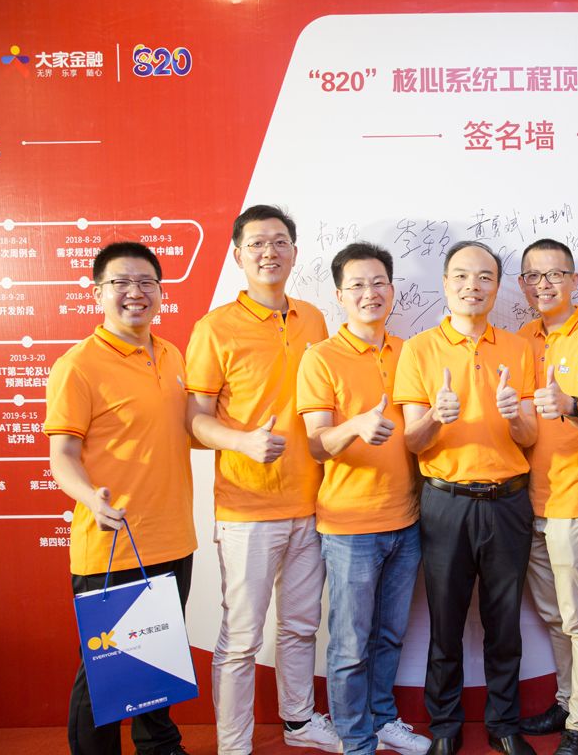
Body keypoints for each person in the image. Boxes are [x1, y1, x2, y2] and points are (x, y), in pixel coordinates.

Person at [184, 205, 338, 755]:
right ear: (237, 255)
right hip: (247, 508)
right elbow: (194, 420)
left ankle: (298, 722)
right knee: (242, 636)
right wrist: (242, 441)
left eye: (279, 242)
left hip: (312, 503)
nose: (268, 252)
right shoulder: (214, 327)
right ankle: (234, 744)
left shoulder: (314, 319)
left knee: (300, 626)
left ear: (294, 252)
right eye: (256, 243)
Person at [48, 241, 197, 755]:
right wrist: (92, 499)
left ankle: (159, 746)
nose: (135, 292)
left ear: (160, 291)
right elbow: (62, 456)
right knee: (106, 673)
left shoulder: (172, 354)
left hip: (173, 537)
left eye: (146, 282)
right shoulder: (78, 365)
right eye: (121, 282)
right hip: (113, 540)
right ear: (97, 293)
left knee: (158, 657)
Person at [395, 241, 539, 755]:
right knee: (445, 621)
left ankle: (504, 724)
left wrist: (514, 415)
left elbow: (529, 436)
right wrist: (436, 416)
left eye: (483, 277)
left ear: (497, 286)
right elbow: (412, 441)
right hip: (446, 503)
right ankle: (445, 727)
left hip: (508, 501)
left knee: (504, 623)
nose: (471, 286)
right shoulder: (418, 349)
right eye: (460, 276)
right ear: (445, 283)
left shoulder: (519, 348)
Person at [296, 242, 432, 755]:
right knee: (351, 643)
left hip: (408, 520)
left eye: (378, 283)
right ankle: (355, 740)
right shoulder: (320, 358)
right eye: (357, 285)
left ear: (392, 290)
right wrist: (354, 425)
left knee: (390, 635)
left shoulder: (411, 352)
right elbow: (316, 444)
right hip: (349, 526)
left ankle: (381, 718)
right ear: (339, 295)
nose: (369, 293)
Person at [514, 240, 578, 755]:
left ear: (574, 280)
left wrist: (567, 402)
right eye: (533, 276)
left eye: (555, 274)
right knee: (554, 617)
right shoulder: (520, 339)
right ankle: (565, 701)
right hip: (527, 501)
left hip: (575, 501)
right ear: (522, 285)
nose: (544, 284)